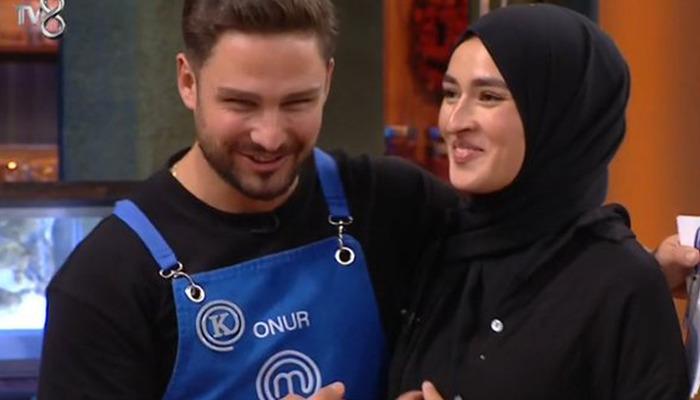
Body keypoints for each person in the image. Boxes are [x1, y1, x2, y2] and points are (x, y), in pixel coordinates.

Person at [37, 1, 696, 399]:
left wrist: (632, 274)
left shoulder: (388, 201)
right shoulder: (104, 284)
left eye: (297, 102)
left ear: (327, 81)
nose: (270, 135)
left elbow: (523, 246)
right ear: (188, 81)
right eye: (240, 103)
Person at [387, 4, 689, 400]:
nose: (454, 121)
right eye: (450, 93)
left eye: (489, 96)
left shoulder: (620, 282)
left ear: (560, 113)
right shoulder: (438, 250)